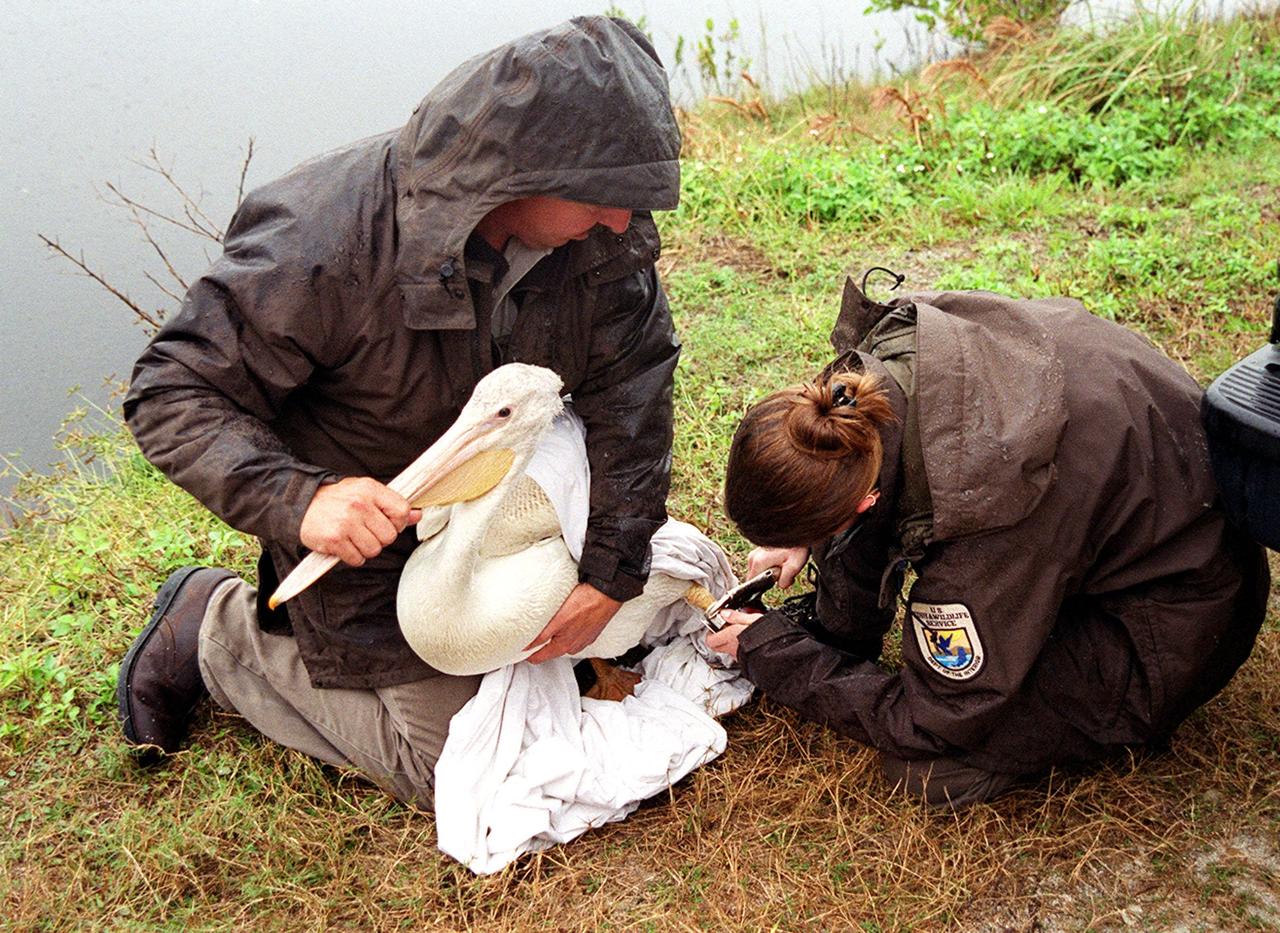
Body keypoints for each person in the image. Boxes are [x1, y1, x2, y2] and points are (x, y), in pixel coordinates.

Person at [117, 16, 682, 808]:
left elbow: (635, 391)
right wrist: (301, 499)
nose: (625, 223)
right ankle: (214, 630)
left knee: (612, 633)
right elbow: (171, 391)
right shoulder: (321, 237)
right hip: (368, 547)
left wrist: (610, 575)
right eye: (606, 198)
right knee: (458, 768)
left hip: (510, 500)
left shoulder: (604, 240)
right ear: (524, 170)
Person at [707, 278, 1269, 808]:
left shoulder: (986, 512)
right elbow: (873, 485)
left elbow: (933, 715)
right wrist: (806, 538)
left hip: (1174, 619)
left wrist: (773, 652)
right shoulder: (857, 394)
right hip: (1147, 508)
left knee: (927, 768)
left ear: (861, 504)